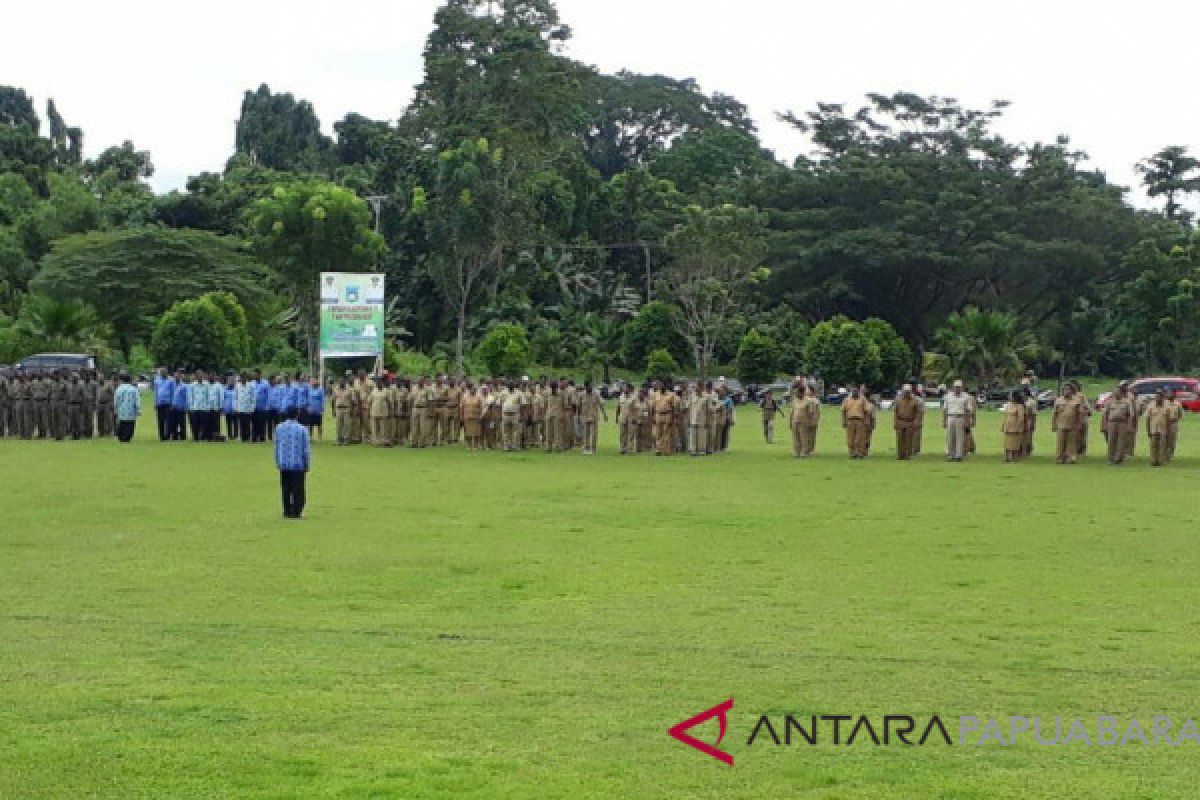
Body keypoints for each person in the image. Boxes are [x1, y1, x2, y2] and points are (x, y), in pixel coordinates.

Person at [274, 407, 311, 519]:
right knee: (298, 489)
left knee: (286, 488)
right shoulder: (302, 429)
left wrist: (277, 461)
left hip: (284, 464)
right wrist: (307, 464)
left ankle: (286, 510)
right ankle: (297, 511)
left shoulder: (279, 428)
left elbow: (276, 446)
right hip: (298, 464)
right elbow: (306, 449)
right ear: (297, 415)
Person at [1101, 383, 1136, 465]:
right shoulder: (1109, 402)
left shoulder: (1126, 402)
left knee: (1121, 441)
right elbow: (1105, 414)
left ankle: (1119, 459)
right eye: (1115, 392)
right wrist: (1105, 425)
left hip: (1122, 423)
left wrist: (1129, 425)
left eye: (1118, 392)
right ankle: (1110, 458)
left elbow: (1130, 415)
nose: (1116, 393)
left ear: (1121, 393)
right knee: (1111, 441)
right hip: (1111, 423)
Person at [1051, 383, 1083, 465]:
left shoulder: (1077, 400)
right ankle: (1060, 458)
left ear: (1072, 391)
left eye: (1068, 389)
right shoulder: (1058, 400)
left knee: (1072, 442)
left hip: (1073, 425)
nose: (1066, 391)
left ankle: (1071, 458)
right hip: (1061, 424)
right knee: (1061, 442)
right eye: (1064, 389)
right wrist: (1054, 425)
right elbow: (1054, 414)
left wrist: (1079, 424)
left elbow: (1080, 413)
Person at [942, 380, 970, 462]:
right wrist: (944, 420)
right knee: (950, 437)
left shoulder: (966, 396)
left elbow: (968, 410)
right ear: (953, 387)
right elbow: (945, 409)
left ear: (962, 387)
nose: (957, 388)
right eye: (956, 387)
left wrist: (967, 421)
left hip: (960, 417)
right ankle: (951, 454)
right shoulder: (947, 396)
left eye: (959, 387)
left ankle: (958, 455)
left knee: (960, 437)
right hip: (950, 417)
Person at [841, 387, 871, 459]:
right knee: (850, 438)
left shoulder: (863, 399)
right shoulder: (847, 399)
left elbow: (867, 411)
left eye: (856, 392)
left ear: (858, 392)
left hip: (860, 420)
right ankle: (852, 453)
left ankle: (860, 453)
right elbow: (843, 411)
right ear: (851, 392)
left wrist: (867, 421)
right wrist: (844, 421)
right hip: (850, 420)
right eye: (853, 392)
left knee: (859, 438)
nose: (855, 393)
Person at [578, 382, 607, 454]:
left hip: (594, 416)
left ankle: (593, 449)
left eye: (591, 386)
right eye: (589, 386)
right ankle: (586, 448)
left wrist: (604, 414)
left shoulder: (596, 394)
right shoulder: (581, 395)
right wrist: (578, 416)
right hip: (584, 416)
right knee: (585, 433)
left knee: (594, 433)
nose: (590, 388)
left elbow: (601, 404)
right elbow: (579, 406)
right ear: (585, 387)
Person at [893, 384, 921, 460]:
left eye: (908, 391)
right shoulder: (898, 400)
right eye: (905, 391)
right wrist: (895, 422)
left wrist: (916, 422)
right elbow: (895, 412)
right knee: (899, 439)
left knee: (909, 439)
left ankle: (907, 455)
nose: (906, 393)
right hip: (900, 421)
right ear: (902, 391)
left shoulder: (915, 400)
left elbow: (918, 412)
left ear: (911, 391)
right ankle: (900, 455)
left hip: (910, 421)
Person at [1146, 390, 1171, 467]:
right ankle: (1153, 461)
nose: (1158, 398)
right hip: (1153, 429)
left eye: (1160, 396)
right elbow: (1148, 419)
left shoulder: (1167, 407)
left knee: (1162, 446)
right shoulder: (1150, 406)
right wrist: (1148, 430)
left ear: (1163, 398)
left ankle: (1160, 461)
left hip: (1163, 430)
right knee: (1153, 445)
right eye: (1157, 396)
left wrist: (1167, 430)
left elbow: (1168, 419)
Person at [114, 373, 141, 443]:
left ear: (122, 380)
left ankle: (121, 437)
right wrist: (138, 410)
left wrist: (116, 409)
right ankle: (127, 437)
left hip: (121, 410)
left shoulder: (119, 389)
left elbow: (116, 400)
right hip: (131, 411)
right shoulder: (134, 389)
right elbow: (137, 400)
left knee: (122, 423)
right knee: (130, 425)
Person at [1000, 391, 1026, 462]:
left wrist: (1019, 427)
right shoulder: (1008, 405)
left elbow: (1021, 418)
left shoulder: (1019, 406)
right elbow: (1005, 415)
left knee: (1015, 442)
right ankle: (1007, 457)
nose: (1010, 397)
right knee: (1007, 442)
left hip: (1015, 426)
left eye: (1011, 396)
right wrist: (1003, 425)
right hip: (1007, 426)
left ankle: (1015, 457)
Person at [153, 368, 175, 441]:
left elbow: (173, 392)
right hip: (159, 403)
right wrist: (155, 402)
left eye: (164, 372)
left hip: (168, 403)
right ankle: (162, 436)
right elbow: (155, 392)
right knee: (160, 420)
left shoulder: (171, 380)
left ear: (167, 372)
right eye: (161, 372)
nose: (163, 373)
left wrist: (172, 403)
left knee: (168, 420)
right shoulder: (157, 380)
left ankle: (167, 435)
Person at [461, 383, 483, 450]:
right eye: (472, 389)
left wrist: (480, 416)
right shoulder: (465, 398)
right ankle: (469, 445)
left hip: (476, 417)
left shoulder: (478, 398)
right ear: (469, 390)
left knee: (476, 432)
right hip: (467, 417)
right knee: (468, 432)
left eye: (474, 390)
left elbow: (481, 408)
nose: (473, 391)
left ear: (476, 391)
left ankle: (476, 445)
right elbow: (462, 407)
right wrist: (462, 416)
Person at [95, 373, 115, 438]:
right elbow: (97, 395)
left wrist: (112, 404)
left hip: (107, 404)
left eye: (101, 378)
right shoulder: (97, 385)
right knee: (99, 419)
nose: (100, 379)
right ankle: (101, 432)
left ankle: (108, 432)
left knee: (108, 419)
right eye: (99, 378)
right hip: (99, 404)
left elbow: (113, 394)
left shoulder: (108, 385)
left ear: (104, 378)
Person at [171, 372, 190, 440]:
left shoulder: (184, 386)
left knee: (182, 423)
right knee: (174, 423)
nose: (176, 378)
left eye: (177, 376)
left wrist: (186, 407)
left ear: (180, 377)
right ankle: (174, 436)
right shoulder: (172, 385)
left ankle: (183, 436)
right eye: (175, 376)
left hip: (181, 407)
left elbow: (186, 397)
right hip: (173, 407)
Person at [306, 376, 326, 441]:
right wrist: (308, 407)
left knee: (319, 424)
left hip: (318, 410)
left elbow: (322, 400)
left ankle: (319, 437)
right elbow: (308, 399)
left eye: (315, 381)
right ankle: (310, 437)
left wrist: (322, 409)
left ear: (317, 382)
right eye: (312, 381)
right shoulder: (309, 389)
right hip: (311, 409)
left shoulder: (320, 390)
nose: (313, 382)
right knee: (310, 424)